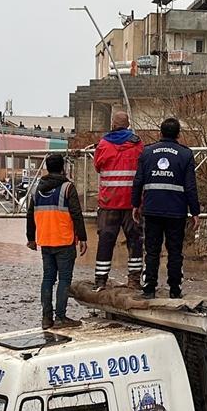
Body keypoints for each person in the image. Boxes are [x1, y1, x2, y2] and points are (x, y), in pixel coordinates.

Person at [132, 117, 200, 300]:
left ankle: (149, 288)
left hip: (152, 209)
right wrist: (195, 212)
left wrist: (135, 204)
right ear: (179, 135)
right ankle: (175, 290)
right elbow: (191, 186)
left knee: (152, 250)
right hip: (176, 212)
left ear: (160, 133)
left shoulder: (147, 152)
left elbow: (138, 181)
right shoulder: (185, 155)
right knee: (175, 251)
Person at [26, 153, 87, 329]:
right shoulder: (68, 187)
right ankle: (60, 318)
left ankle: (46, 318)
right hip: (65, 240)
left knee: (48, 279)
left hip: (45, 240)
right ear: (63, 168)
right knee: (65, 279)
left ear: (47, 168)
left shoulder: (38, 188)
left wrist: (31, 238)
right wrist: (82, 237)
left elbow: (30, 214)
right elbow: (76, 213)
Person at [92, 110, 144, 290]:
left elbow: (98, 167)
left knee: (105, 241)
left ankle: (100, 280)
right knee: (135, 241)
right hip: (132, 203)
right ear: (128, 125)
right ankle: (134, 280)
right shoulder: (137, 145)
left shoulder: (103, 145)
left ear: (112, 125)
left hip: (109, 203)